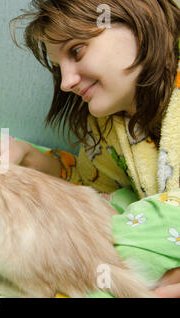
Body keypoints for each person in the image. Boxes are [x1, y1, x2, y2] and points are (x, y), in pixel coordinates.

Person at [9, 0, 180, 297]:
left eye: (76, 51)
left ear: (138, 19)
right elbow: (87, 188)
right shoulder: (111, 129)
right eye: (59, 68)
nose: (65, 83)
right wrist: (27, 155)